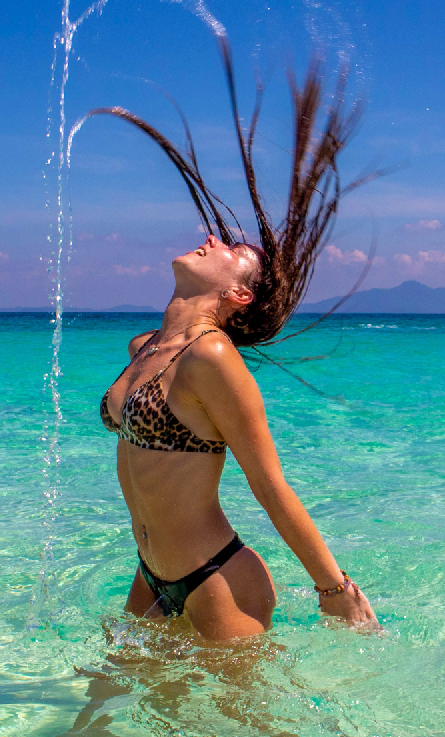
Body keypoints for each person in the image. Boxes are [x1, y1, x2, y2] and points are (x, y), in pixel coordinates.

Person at [88, 43, 378, 641]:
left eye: (229, 253)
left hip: (215, 578)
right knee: (103, 716)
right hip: (152, 576)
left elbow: (268, 484)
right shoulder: (146, 347)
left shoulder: (212, 358)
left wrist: (333, 590)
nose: (212, 241)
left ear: (239, 295)